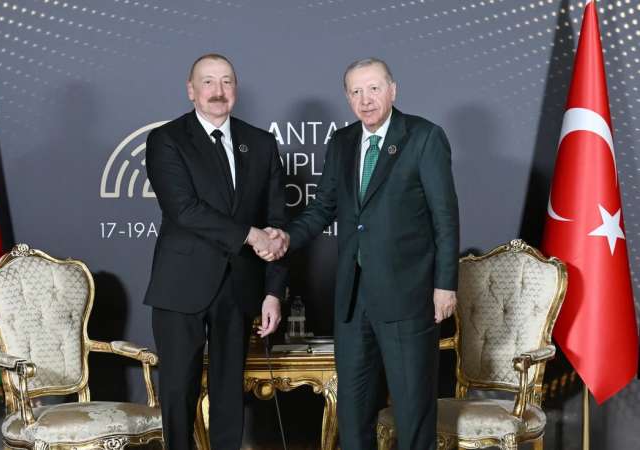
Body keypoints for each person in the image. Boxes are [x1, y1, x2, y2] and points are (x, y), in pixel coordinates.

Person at [260, 57, 459, 450]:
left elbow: (445, 218)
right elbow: (322, 208)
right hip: (353, 301)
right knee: (352, 416)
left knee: (413, 415)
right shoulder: (343, 141)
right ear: (348, 98)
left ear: (392, 90)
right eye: (356, 91)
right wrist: (285, 238)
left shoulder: (424, 137)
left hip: (408, 297)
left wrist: (445, 285)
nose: (365, 99)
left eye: (373, 88)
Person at [144, 53, 288, 450]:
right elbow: (184, 209)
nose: (218, 91)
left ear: (236, 89)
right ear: (191, 90)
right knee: (178, 391)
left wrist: (273, 291)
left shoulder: (260, 143)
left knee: (229, 394)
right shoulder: (167, 139)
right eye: (208, 82)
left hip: (239, 287)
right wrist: (251, 235)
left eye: (226, 81)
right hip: (180, 286)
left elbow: (277, 223)